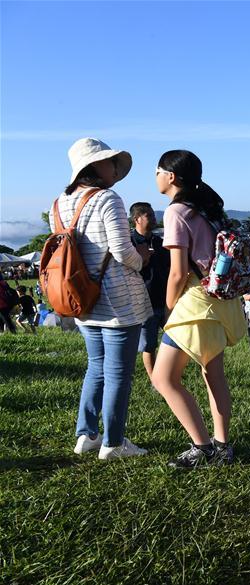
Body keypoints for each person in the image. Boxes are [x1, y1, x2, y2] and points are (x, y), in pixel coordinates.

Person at [57, 138, 152, 459]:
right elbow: (123, 251)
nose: (114, 167)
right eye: (109, 161)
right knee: (118, 374)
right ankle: (113, 443)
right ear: (94, 166)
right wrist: (143, 258)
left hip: (82, 298)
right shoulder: (108, 199)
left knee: (95, 367)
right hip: (117, 300)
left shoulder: (60, 202)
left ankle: (87, 434)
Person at [151, 149, 246, 468]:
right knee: (213, 374)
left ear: (171, 177)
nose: (156, 176)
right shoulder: (207, 208)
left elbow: (177, 272)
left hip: (195, 304)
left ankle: (202, 447)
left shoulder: (176, 212)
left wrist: (168, 309)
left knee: (163, 379)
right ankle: (222, 446)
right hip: (221, 299)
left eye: (157, 170)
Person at [129, 202, 170, 377]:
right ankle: (153, 377)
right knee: (149, 344)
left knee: (174, 340)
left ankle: (168, 373)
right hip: (144, 302)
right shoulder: (129, 244)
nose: (154, 219)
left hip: (166, 299)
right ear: (137, 219)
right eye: (150, 216)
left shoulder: (161, 242)